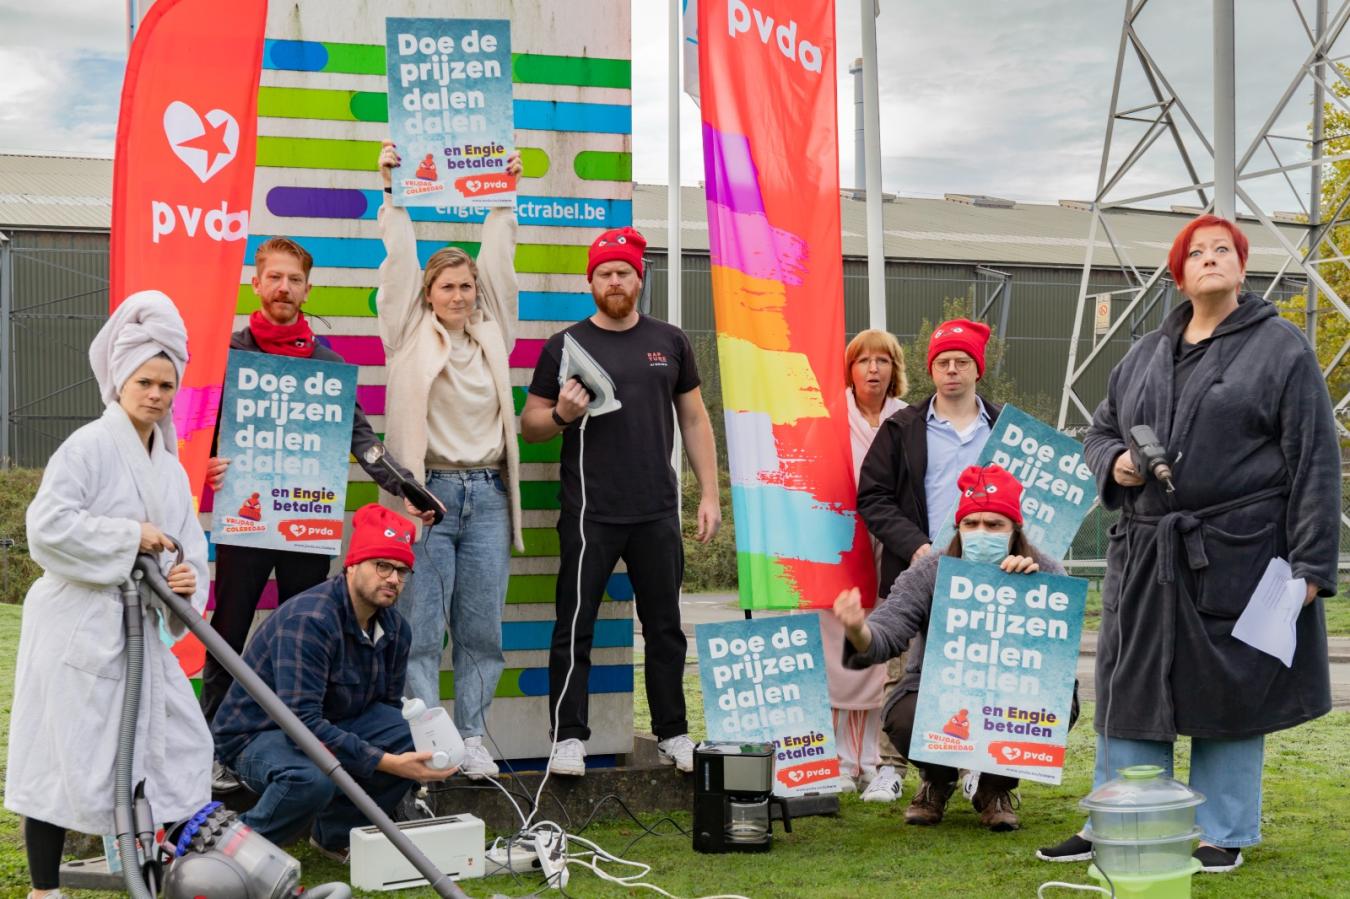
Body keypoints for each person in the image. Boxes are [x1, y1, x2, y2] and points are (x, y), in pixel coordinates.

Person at [1037, 214, 1340, 873]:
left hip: (1239, 548)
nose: (1211, 258)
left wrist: (1313, 562)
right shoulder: (1144, 353)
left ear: (1241, 265)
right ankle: (1118, 816)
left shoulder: (1281, 347)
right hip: (1146, 552)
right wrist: (1114, 459)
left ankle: (1222, 830)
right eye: (1197, 251)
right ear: (1179, 274)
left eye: (1223, 250)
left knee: (1230, 688)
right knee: (1130, 684)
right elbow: (1098, 432)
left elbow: (1313, 457)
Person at [202, 236, 431, 790]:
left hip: (306, 521)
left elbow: (361, 438)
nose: (284, 288)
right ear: (256, 283)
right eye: (274, 277)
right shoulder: (225, 353)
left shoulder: (327, 365)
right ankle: (213, 745)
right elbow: (195, 432)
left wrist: (405, 487)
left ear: (308, 287)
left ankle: (304, 742)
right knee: (228, 629)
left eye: (295, 279)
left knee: (306, 634)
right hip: (245, 520)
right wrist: (200, 467)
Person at [5, 292, 212, 899]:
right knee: (60, 756)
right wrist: (130, 537)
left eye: (167, 385)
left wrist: (183, 577)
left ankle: (156, 872)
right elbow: (46, 528)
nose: (155, 394)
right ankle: (46, 890)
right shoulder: (88, 446)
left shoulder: (170, 467)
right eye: (145, 381)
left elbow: (188, 545)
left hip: (139, 632)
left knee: (170, 750)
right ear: (121, 381)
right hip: (78, 626)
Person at [522, 226, 721, 777]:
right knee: (574, 626)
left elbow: (696, 419)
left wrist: (709, 494)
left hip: (657, 509)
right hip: (590, 513)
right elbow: (531, 425)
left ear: (640, 279)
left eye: (625, 273)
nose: (615, 281)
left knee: (665, 629)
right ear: (591, 281)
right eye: (605, 273)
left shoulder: (671, 341)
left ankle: (674, 734)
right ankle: (568, 738)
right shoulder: (564, 346)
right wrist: (562, 411)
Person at [374, 142, 525, 779]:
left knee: (481, 630)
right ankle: (428, 742)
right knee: (420, 630)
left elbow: (500, 262)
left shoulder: (496, 331)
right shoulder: (406, 332)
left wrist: (503, 195)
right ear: (429, 294)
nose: (459, 295)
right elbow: (399, 265)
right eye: (447, 286)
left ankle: (470, 739)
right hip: (427, 496)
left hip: (487, 495)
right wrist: (392, 191)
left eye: (466, 286)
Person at [211, 504, 456, 860]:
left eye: (402, 571)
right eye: (382, 566)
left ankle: (336, 835)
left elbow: (386, 710)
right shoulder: (310, 620)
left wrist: (411, 751)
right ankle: (230, 852)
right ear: (353, 565)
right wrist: (385, 762)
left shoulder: (396, 628)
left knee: (409, 734)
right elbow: (301, 724)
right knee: (310, 778)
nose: (393, 579)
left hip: (330, 723)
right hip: (258, 735)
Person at [834, 464, 1066, 831]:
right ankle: (936, 780)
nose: (981, 533)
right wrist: (858, 630)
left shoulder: (1044, 569)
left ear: (1014, 530)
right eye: (971, 524)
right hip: (935, 689)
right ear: (958, 528)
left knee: (1062, 700)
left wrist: (1033, 593)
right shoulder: (930, 571)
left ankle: (995, 789)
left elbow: (1058, 657)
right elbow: (889, 631)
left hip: (1010, 692)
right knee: (903, 714)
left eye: (994, 525)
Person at [856, 319, 1003, 802]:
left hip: (991, 576)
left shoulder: (1006, 429)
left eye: (962, 362)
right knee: (904, 673)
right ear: (931, 370)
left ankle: (976, 771)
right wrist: (914, 545)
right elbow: (873, 496)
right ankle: (892, 767)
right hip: (921, 569)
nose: (952, 370)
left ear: (977, 369)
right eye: (943, 362)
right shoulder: (902, 428)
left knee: (980, 672)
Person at [819, 329, 907, 797]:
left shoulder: (908, 420)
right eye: (863, 361)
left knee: (883, 649)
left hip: (890, 545)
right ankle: (837, 758)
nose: (873, 369)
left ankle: (872, 757)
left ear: (896, 369)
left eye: (883, 360)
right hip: (837, 545)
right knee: (838, 648)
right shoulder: (827, 417)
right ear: (849, 369)